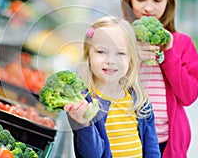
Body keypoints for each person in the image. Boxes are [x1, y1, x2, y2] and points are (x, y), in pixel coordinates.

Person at [121, 0, 198, 157]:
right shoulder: (120, 39)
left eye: (157, 0)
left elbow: (189, 96)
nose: (149, 8)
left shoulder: (182, 44)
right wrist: (130, 55)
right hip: (128, 138)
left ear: (169, 1)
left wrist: (169, 54)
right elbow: (106, 85)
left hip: (168, 142)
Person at [64, 16, 160, 158]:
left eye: (120, 53)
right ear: (88, 55)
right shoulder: (84, 103)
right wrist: (84, 124)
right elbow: (91, 155)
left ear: (131, 60)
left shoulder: (140, 101)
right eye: (101, 52)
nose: (110, 60)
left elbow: (152, 150)